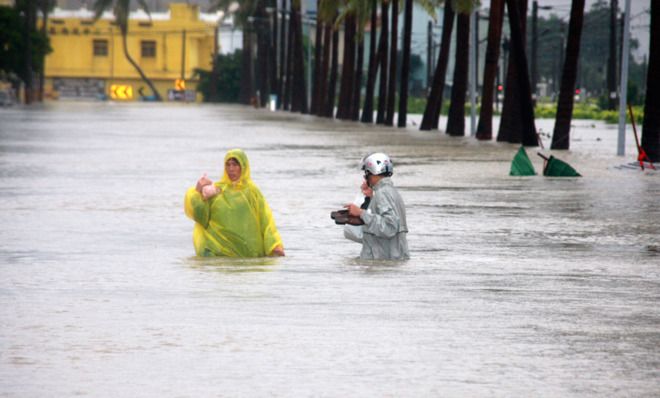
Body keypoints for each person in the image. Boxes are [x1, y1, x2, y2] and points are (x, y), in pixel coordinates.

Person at [184, 149, 285, 257]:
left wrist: (275, 245)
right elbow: (200, 216)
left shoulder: (252, 192)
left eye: (235, 165)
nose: (231, 169)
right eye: (227, 165)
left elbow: (266, 220)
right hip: (218, 254)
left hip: (247, 256)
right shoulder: (216, 190)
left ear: (243, 166)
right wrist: (198, 191)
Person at [344, 153, 409, 260]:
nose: (365, 177)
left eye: (366, 173)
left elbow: (389, 228)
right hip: (392, 261)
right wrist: (368, 199)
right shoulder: (391, 192)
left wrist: (361, 213)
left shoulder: (382, 194)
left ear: (373, 173)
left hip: (382, 264)